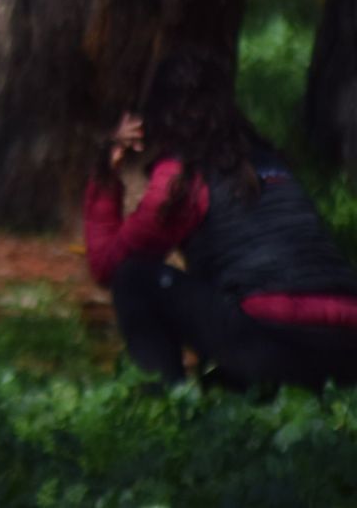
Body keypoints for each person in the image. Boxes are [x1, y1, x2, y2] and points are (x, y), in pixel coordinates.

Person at [84, 48, 357, 390]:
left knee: (133, 278)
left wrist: (105, 174)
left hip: (270, 340)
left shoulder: (183, 176)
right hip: (347, 346)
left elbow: (108, 266)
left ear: (157, 115)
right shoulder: (272, 165)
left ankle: (168, 404)